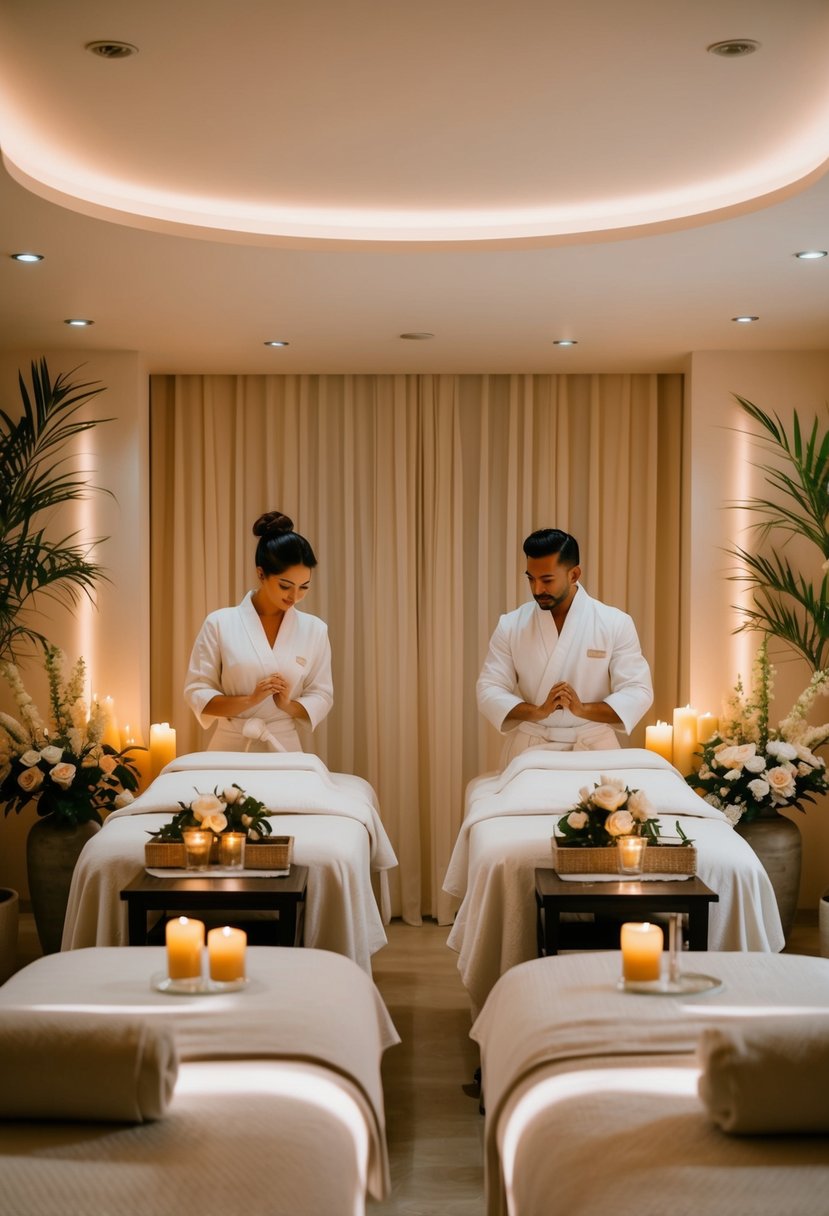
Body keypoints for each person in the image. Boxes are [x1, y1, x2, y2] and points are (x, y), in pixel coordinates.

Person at [477, 528, 653, 766]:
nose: (537, 589)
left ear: (574, 574)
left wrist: (582, 709)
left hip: (594, 747)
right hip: (531, 749)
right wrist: (538, 711)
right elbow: (489, 689)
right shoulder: (510, 626)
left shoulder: (614, 623)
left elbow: (638, 691)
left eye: (547, 580)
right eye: (531, 578)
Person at [184, 511, 333, 752]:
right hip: (230, 746)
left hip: (283, 746)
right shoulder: (220, 623)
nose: (294, 597)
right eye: (285, 585)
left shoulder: (315, 630)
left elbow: (322, 695)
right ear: (261, 573)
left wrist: (287, 705)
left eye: (304, 587)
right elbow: (197, 692)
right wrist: (250, 700)